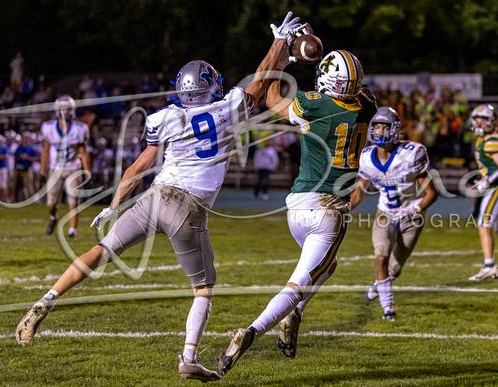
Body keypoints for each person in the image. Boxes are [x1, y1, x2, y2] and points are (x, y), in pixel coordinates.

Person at [15, 12, 302, 383]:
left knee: (102, 251)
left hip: (154, 196)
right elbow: (261, 79)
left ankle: (44, 301)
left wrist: (114, 207)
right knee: (203, 288)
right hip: (188, 207)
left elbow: (137, 168)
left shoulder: (164, 117)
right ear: (208, 87)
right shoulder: (225, 108)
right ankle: (188, 359)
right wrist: (279, 43)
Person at [217, 48, 378, 375]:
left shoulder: (314, 103)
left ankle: (294, 316)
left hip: (297, 207)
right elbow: (360, 94)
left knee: (327, 266)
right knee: (297, 285)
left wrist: (283, 58)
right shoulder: (367, 107)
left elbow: (272, 97)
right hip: (329, 213)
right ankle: (251, 331)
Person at [350, 107, 438, 321]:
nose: (380, 131)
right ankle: (387, 309)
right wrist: (343, 209)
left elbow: (432, 193)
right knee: (381, 257)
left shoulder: (410, 155)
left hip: (412, 215)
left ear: (394, 129)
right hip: (385, 213)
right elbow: (360, 191)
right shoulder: (367, 158)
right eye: (377, 126)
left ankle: (380, 284)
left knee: (395, 268)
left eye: (385, 126)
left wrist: (414, 209)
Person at [468, 104, 498, 281]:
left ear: (491, 121)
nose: (479, 123)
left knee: (483, 224)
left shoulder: (492, 140)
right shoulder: (485, 139)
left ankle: (489, 266)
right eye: (476, 119)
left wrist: (486, 181)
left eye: (483, 119)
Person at [40, 95, 92, 238]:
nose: (65, 111)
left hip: (73, 168)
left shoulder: (79, 129)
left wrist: (87, 171)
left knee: (73, 200)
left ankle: (72, 230)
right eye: (62, 108)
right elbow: (45, 150)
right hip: (55, 169)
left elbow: (83, 152)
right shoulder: (48, 127)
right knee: (50, 203)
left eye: (67, 108)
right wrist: (42, 171)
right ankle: (53, 218)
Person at [13, 132, 37, 202]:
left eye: (27, 138)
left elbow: (34, 159)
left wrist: (27, 157)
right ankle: (17, 200)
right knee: (18, 185)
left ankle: (31, 200)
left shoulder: (31, 149)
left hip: (27, 168)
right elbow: (15, 157)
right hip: (19, 168)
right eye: (25, 138)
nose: (26, 140)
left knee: (29, 184)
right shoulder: (19, 148)